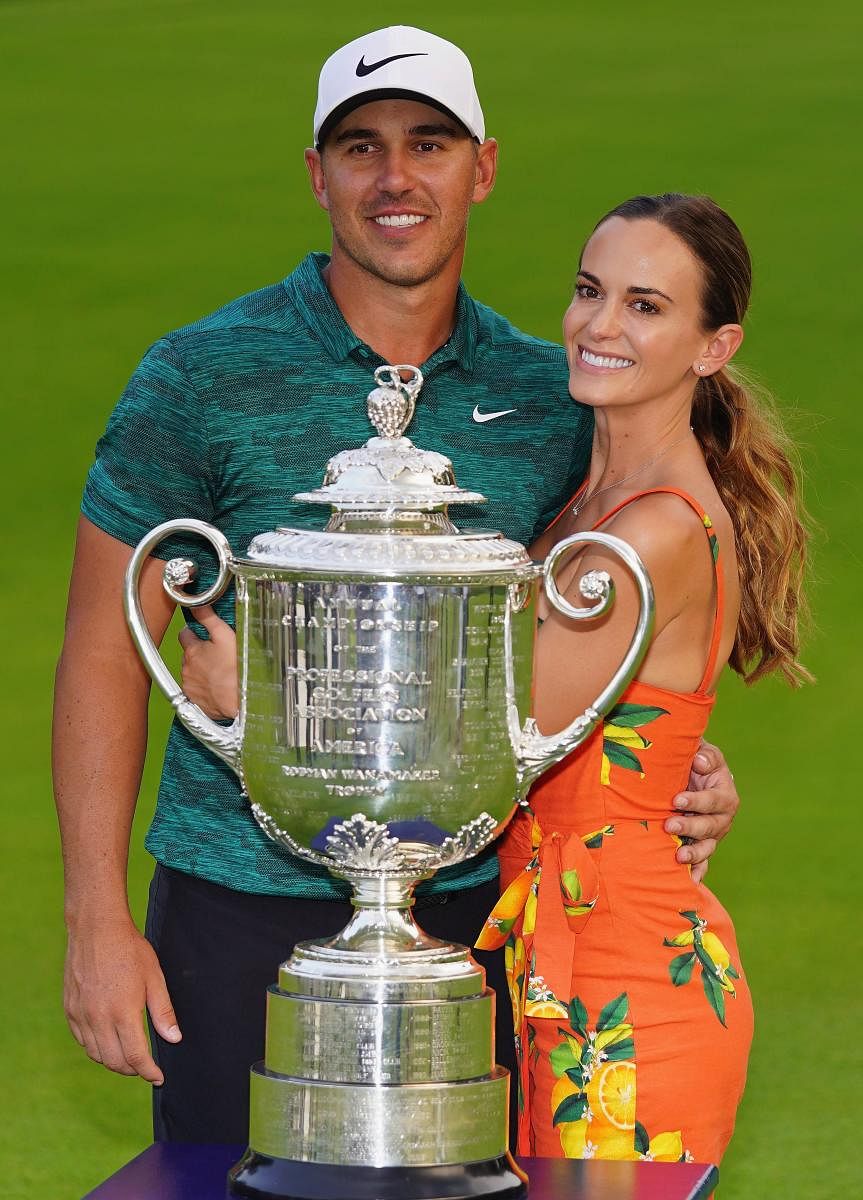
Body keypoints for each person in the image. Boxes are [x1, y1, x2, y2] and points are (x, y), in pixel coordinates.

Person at [53, 28, 740, 1145]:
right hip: (233, 909)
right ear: (317, 176)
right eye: (360, 148)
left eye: (428, 143)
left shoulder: (550, 393)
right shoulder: (198, 377)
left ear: (483, 167)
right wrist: (93, 916)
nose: (395, 178)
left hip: (473, 922)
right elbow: (100, 645)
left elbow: (592, 628)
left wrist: (675, 763)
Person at [476, 193, 810, 1164]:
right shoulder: (596, 496)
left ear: (713, 346)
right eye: (589, 291)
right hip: (559, 966)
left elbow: (490, 744)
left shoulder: (652, 532)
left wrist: (268, 699)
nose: (599, 325)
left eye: (645, 305)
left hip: (625, 994)